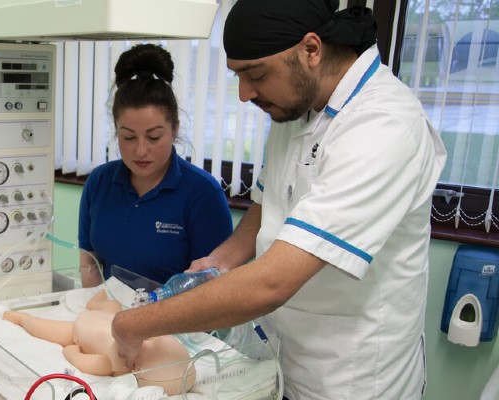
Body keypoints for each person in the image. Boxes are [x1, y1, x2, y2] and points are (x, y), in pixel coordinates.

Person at [111, 2, 447, 399]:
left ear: (311, 50)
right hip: (282, 364)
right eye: (238, 76)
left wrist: (135, 324)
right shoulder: (297, 107)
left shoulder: (384, 128)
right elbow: (268, 206)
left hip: (351, 380)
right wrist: (219, 261)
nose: (243, 94)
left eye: (255, 75)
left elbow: (272, 282)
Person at [78, 43, 233, 287]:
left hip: (177, 322)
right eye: (128, 137)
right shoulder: (99, 182)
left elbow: (212, 288)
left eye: (154, 137)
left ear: (174, 129)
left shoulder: (202, 194)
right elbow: (89, 262)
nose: (140, 150)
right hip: (107, 316)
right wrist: (92, 308)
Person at [2, 290, 196, 396]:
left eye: (149, 345)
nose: (148, 339)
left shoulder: (109, 364)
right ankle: (96, 303)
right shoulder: (138, 335)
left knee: (46, 328)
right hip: (111, 318)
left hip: (77, 329)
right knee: (114, 308)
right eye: (155, 337)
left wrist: (71, 351)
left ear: (135, 368)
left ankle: (23, 319)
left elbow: (81, 360)